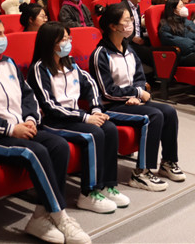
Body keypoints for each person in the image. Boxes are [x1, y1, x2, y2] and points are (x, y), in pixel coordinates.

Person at [0, 15, 91, 244]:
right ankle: (60, 216)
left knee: (58, 145)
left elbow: (28, 95)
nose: (3, 38)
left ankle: (40, 216)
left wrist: (30, 119)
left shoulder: (8, 62)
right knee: (34, 152)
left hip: (20, 128)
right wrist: (10, 129)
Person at [28, 22, 129, 214]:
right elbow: (49, 105)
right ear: (50, 43)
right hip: (53, 121)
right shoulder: (39, 68)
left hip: (75, 117)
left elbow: (90, 84)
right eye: (63, 39)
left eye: (69, 38)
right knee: (93, 134)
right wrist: (85, 117)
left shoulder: (70, 62)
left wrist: (96, 109)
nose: (68, 43)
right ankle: (88, 193)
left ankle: (107, 185)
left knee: (109, 128)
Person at [90, 4, 185, 192]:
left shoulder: (129, 50)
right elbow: (106, 91)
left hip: (131, 102)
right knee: (154, 115)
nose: (131, 24)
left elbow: (139, 77)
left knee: (169, 111)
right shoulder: (100, 54)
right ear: (113, 26)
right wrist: (136, 94)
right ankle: (141, 173)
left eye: (131, 20)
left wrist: (138, 93)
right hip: (111, 106)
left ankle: (168, 162)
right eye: (126, 20)